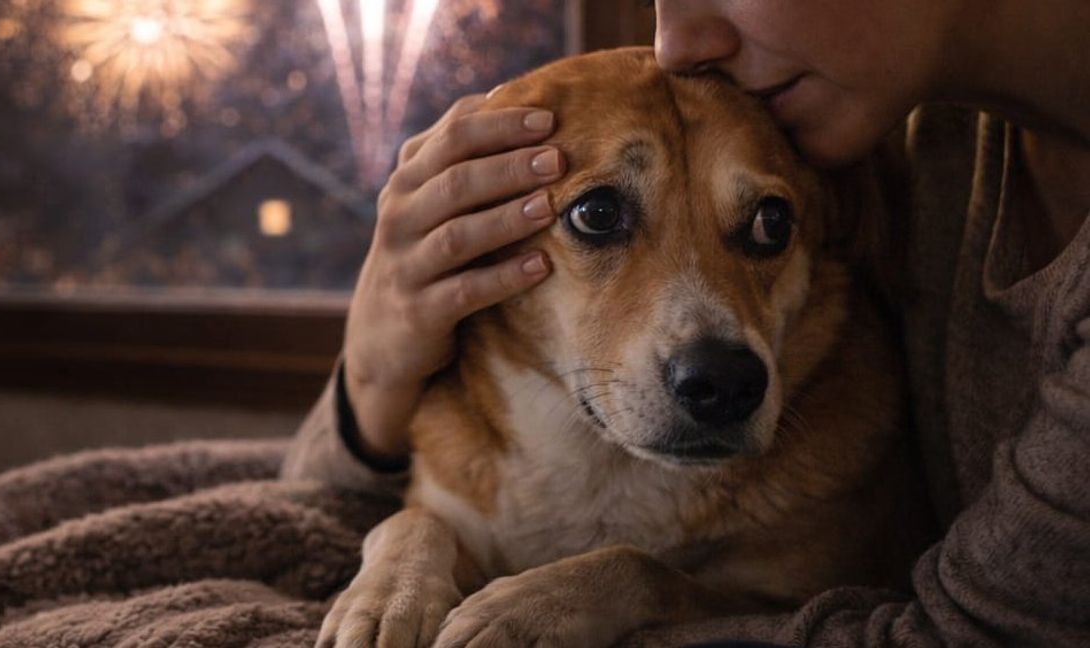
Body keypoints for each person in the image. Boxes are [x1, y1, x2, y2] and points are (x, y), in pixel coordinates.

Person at [283, 0, 1090, 644]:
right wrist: (374, 369)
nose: (676, 42)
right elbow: (313, 498)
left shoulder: (865, 160)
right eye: (599, 217)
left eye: (767, 227)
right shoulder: (886, 125)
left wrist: (642, 596)